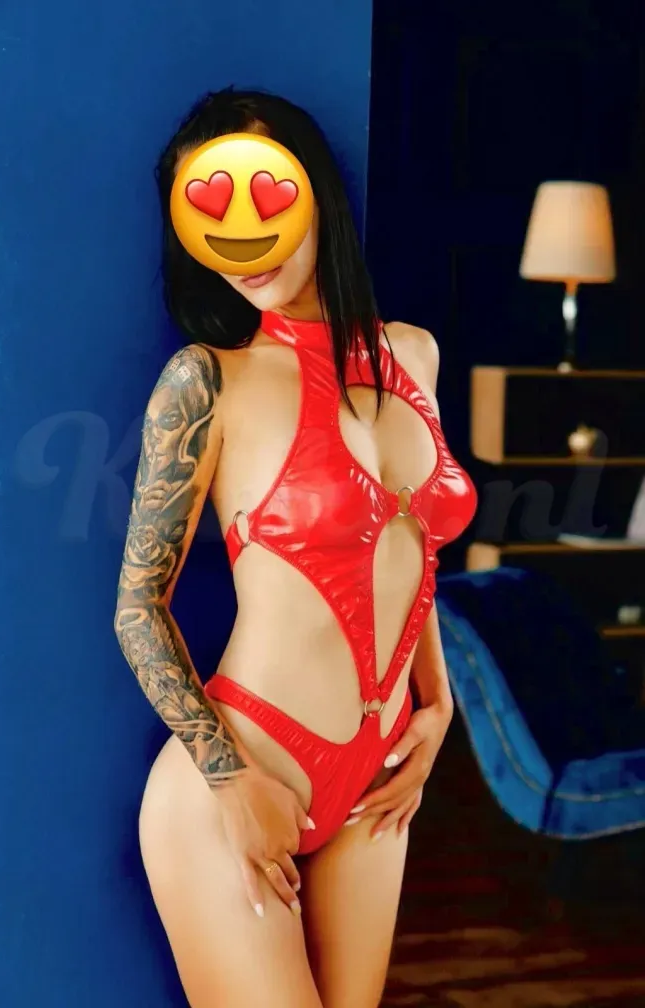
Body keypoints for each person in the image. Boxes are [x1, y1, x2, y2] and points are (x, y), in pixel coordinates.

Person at [114, 87, 477, 1008]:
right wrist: (231, 781)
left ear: (316, 194)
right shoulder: (207, 381)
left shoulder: (414, 356)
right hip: (241, 772)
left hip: (377, 779)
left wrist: (438, 704)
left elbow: (411, 550)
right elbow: (137, 609)